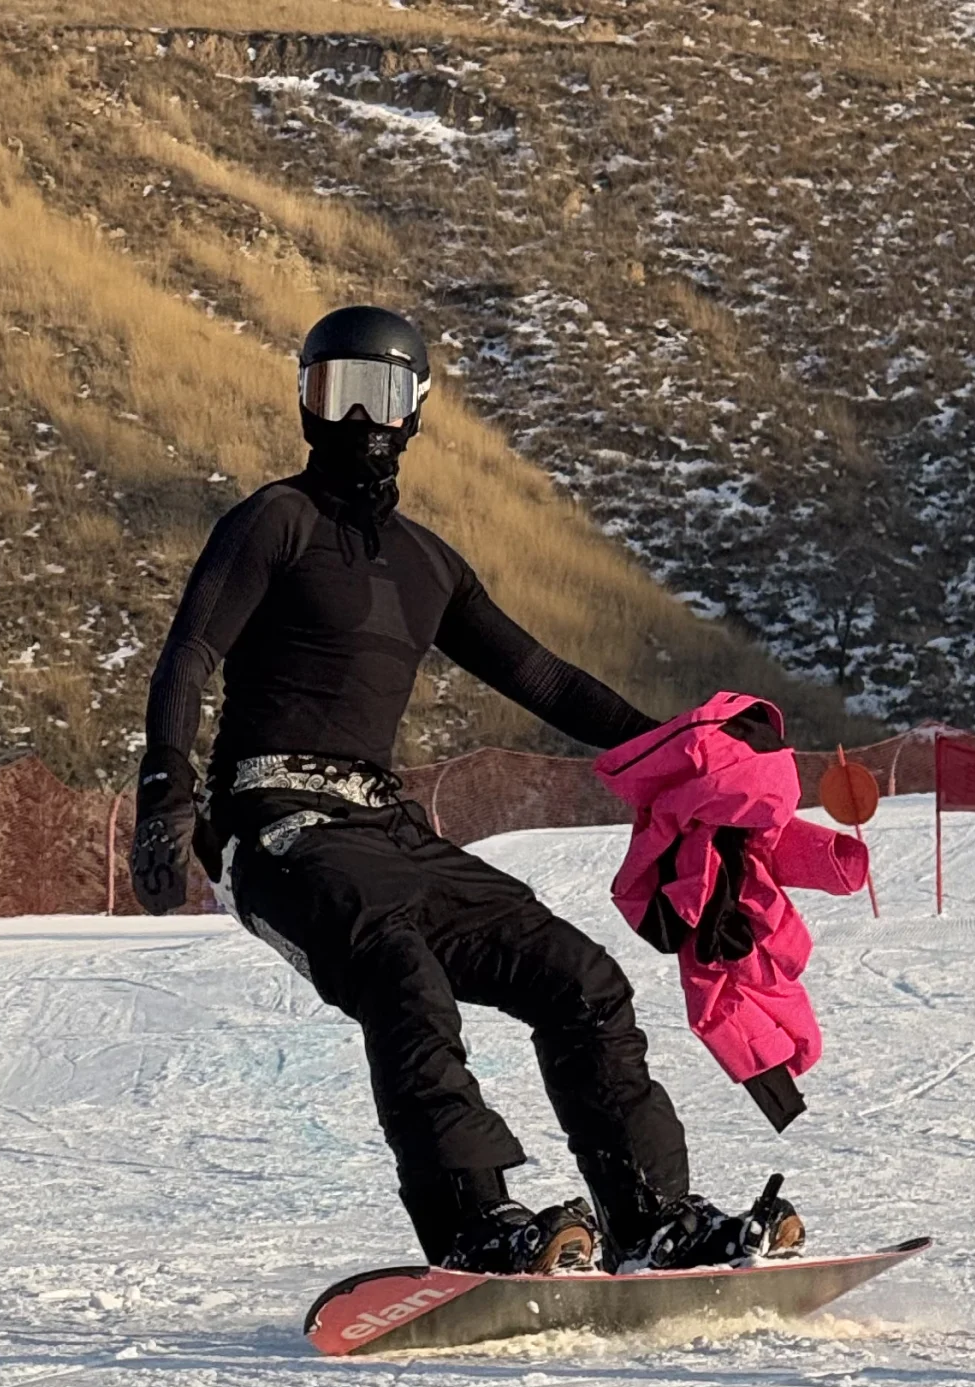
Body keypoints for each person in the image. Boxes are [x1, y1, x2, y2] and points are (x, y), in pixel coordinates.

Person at [130, 305, 803, 1275]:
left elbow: (548, 680)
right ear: (306, 402)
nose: (361, 418)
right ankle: (473, 1225)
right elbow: (188, 653)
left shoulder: (430, 565)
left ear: (415, 412)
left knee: (581, 979)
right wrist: (167, 792)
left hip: (389, 829)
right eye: (339, 391)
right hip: (273, 824)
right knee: (399, 974)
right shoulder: (272, 522)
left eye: (383, 393)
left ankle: (649, 1217)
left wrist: (687, 743)